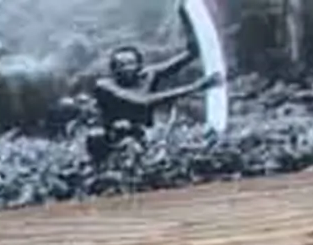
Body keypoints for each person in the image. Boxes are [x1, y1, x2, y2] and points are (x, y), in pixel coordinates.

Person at [81, 34, 222, 168]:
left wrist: (192, 37)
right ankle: (102, 167)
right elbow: (144, 101)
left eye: (130, 63)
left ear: (139, 65)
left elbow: (188, 56)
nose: (126, 69)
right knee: (106, 132)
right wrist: (195, 87)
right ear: (113, 69)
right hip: (113, 139)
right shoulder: (104, 86)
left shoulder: (148, 75)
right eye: (120, 65)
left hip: (144, 134)